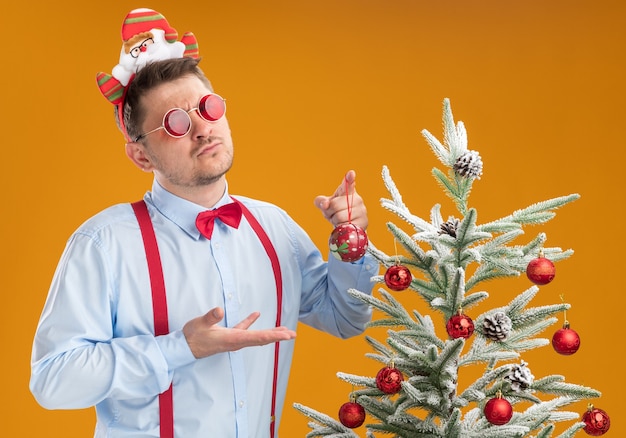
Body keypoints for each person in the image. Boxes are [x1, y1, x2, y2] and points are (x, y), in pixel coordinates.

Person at [29, 8, 378, 438]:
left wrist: (351, 242)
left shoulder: (275, 230)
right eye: (176, 123)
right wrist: (178, 349)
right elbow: (52, 380)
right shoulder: (103, 244)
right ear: (140, 155)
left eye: (207, 108)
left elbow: (345, 319)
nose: (202, 129)